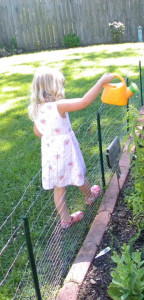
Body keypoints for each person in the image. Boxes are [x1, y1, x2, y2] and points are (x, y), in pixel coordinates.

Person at [28, 67, 115, 229]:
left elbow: (38, 132)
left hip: (51, 155)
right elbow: (84, 102)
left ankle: (66, 219)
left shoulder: (38, 110)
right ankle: (89, 197)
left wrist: (53, 137)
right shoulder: (58, 106)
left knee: (59, 187)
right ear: (54, 87)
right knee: (78, 173)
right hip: (66, 151)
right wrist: (101, 82)